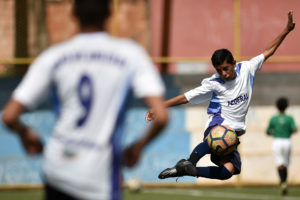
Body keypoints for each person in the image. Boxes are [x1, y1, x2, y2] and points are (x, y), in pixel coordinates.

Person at [1, 0, 168, 199]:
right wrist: (138, 147)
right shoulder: (131, 54)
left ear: (73, 13)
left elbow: (9, 116)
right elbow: (162, 116)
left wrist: (26, 134)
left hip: (57, 171)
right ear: (109, 13)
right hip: (99, 175)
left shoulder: (53, 56)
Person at [146, 11, 295, 181]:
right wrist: (160, 107)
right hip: (218, 124)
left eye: (225, 68)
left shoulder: (247, 68)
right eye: (219, 70)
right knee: (216, 135)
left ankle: (188, 170)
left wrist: (286, 30)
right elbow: (186, 97)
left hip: (233, 133)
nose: (223, 73)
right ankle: (190, 161)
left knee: (228, 172)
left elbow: (268, 51)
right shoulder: (214, 83)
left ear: (233, 63)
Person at [266, 97, 297, 195]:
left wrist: (274, 133)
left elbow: (267, 132)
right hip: (287, 141)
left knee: (279, 164)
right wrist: (287, 131)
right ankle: (284, 182)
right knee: (285, 164)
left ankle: (283, 182)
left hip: (277, 141)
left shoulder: (273, 118)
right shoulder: (290, 118)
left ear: (276, 106)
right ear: (287, 106)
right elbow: (295, 129)